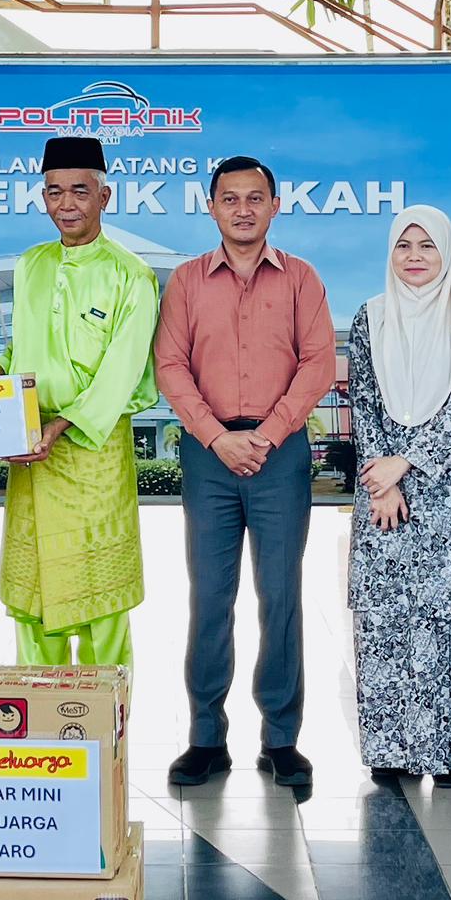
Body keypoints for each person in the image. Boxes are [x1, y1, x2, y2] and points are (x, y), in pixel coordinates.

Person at [154, 156, 333, 790]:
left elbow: (318, 363)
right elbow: (170, 365)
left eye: (255, 198)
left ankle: (281, 738)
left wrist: (267, 434)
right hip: (209, 457)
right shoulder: (187, 281)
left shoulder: (302, 278)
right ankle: (206, 737)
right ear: (211, 208)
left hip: (279, 454)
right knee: (209, 597)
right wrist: (216, 437)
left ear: (275, 206)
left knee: (280, 596)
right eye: (229, 198)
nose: (243, 209)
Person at [0, 135, 159, 664]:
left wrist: (61, 425)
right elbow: (22, 344)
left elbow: (123, 371)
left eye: (80, 191)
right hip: (30, 451)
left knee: (99, 603)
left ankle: (105, 715)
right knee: (33, 599)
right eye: (54, 192)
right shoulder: (31, 264)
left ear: (104, 197)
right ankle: (38, 713)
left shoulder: (132, 274)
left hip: (94, 451)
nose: (66, 204)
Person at [347, 207, 451, 787]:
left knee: (450, 619)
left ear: (447, 252)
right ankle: (390, 750)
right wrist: (382, 481)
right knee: (385, 620)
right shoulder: (371, 316)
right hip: (383, 495)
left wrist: (404, 462)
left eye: (427, 245)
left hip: (449, 495)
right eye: (403, 245)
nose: (414, 256)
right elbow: (363, 402)